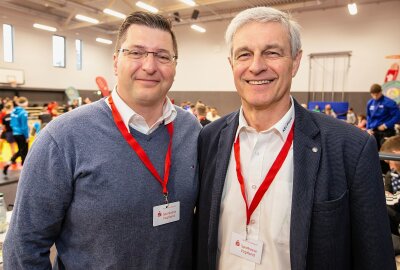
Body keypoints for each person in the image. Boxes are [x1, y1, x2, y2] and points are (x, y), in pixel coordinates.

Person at [195, 7, 395, 270]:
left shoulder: (350, 148)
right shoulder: (210, 139)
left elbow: (375, 258)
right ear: (232, 64)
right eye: (244, 54)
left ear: (296, 62)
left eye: (272, 52)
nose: (256, 66)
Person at [4, 11, 201, 269]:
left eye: (163, 56)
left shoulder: (192, 131)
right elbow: (24, 247)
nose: (150, 66)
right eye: (136, 52)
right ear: (116, 62)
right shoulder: (62, 137)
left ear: (174, 66)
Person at [380, 135, 400, 255]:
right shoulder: (391, 174)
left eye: (389, 160)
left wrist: (379, 194)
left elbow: (396, 200)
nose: (389, 165)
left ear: (396, 153)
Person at [367, 83, 400, 150]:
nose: (375, 97)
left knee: (385, 152)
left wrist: (386, 125)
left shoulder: (389, 102)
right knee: (373, 152)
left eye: (377, 94)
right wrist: (368, 128)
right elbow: (369, 116)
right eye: (373, 95)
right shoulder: (370, 103)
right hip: (374, 131)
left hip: (386, 131)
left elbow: (397, 116)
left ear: (381, 92)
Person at [3, 97, 29, 175]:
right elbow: (24, 126)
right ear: (25, 103)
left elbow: (11, 124)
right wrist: (27, 136)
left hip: (15, 133)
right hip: (21, 134)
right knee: (24, 151)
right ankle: (23, 169)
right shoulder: (23, 113)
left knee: (21, 150)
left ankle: (12, 162)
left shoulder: (13, 111)